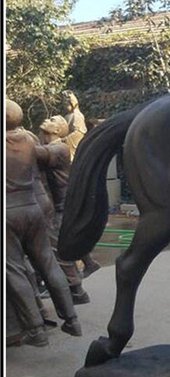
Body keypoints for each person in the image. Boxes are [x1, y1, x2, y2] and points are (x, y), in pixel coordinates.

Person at [6, 99, 82, 346]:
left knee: (14, 270)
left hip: (7, 214)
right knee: (48, 262)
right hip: (33, 209)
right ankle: (71, 319)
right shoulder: (29, 141)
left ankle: (36, 330)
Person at [38, 115, 90, 304]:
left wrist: (14, 136)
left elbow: (30, 153)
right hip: (57, 204)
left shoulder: (58, 148)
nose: (47, 120)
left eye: (52, 120)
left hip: (62, 205)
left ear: (58, 130)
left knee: (58, 248)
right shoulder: (50, 147)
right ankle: (85, 270)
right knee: (58, 244)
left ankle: (76, 289)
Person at [61, 90, 101, 278]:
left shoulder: (77, 117)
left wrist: (61, 140)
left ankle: (73, 278)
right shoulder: (67, 116)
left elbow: (78, 133)